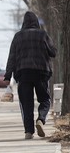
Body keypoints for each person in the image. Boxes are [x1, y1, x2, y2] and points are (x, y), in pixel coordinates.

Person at [4, 11, 57, 140]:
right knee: (45, 99)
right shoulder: (43, 35)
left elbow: (12, 58)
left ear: (24, 23)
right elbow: (53, 52)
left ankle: (29, 131)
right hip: (41, 72)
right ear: (36, 22)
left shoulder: (18, 36)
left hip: (23, 73)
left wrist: (7, 76)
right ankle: (41, 119)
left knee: (26, 103)